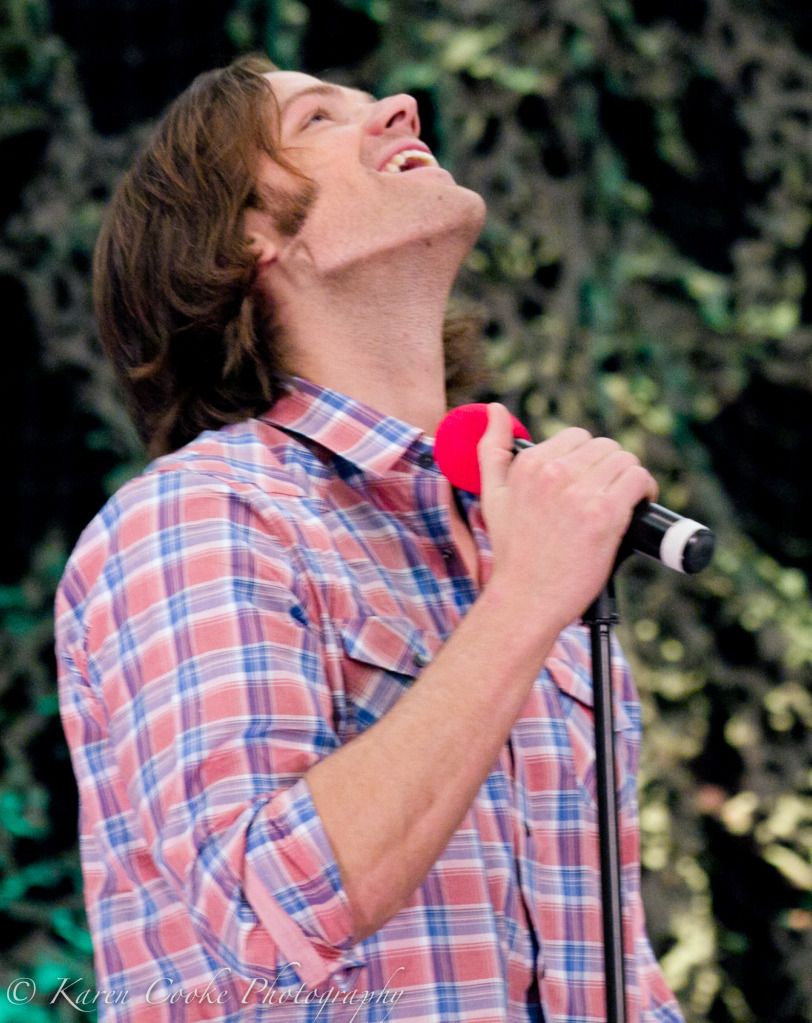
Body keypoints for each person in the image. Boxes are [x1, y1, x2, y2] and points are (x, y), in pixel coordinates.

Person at [56, 54, 685, 1022]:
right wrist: (524, 603)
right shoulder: (199, 516)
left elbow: (612, 963)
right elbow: (265, 916)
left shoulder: (511, 531)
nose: (401, 107)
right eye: (316, 119)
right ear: (248, 238)